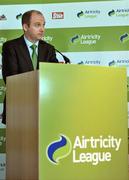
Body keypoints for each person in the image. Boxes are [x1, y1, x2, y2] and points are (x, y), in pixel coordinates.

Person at [2, 10, 58, 124]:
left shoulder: (49, 49)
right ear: (25, 27)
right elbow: (11, 78)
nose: (42, 29)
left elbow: (54, 76)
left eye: (43, 25)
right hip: (18, 107)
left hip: (44, 108)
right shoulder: (11, 47)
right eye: (37, 25)